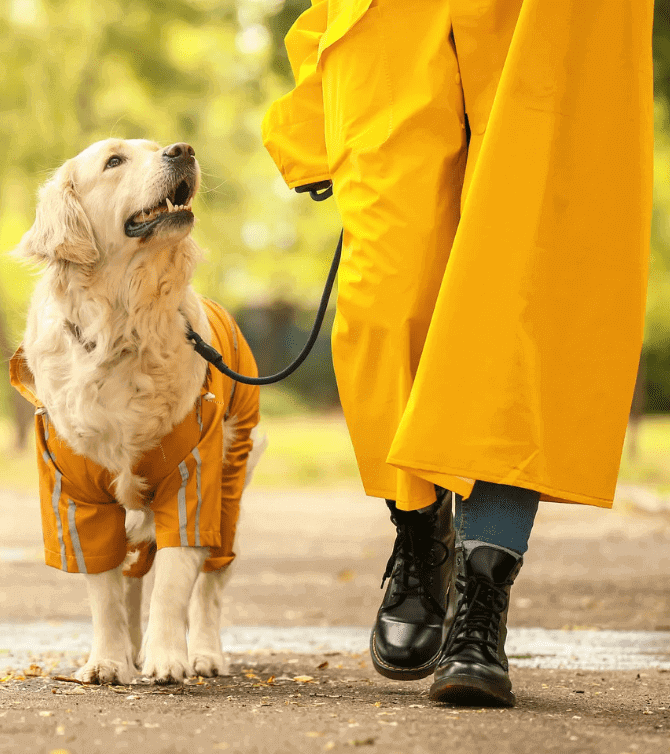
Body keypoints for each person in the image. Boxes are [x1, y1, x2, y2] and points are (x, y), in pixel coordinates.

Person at [262, 0, 653, 706]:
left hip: (553, 22)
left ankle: (483, 597)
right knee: (385, 302)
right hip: (395, 26)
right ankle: (419, 531)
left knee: (517, 312)